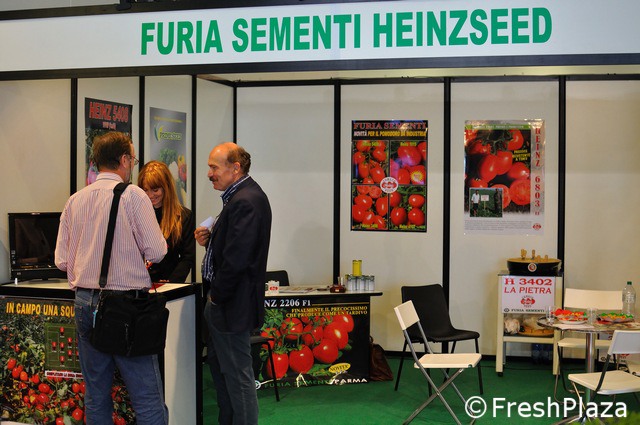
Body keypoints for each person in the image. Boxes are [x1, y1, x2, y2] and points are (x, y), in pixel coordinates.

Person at [55, 132, 169, 425]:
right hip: (125, 306)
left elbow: (61, 261)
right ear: (124, 160)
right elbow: (157, 251)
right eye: (133, 158)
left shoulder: (75, 200)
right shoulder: (133, 196)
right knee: (147, 399)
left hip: (84, 301)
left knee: (96, 395)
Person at [195, 142, 272, 425]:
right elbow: (233, 251)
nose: (209, 174)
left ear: (235, 168)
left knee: (238, 379)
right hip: (227, 306)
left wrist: (216, 298)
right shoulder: (240, 197)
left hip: (229, 307)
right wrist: (210, 243)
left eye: (214, 167)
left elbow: (238, 260)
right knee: (224, 374)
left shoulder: (245, 201)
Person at [138, 160, 196, 283]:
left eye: (155, 190)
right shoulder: (136, 215)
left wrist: (172, 282)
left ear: (166, 187)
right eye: (145, 190)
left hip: (169, 284)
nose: (150, 195)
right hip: (139, 283)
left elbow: (188, 257)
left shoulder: (184, 216)